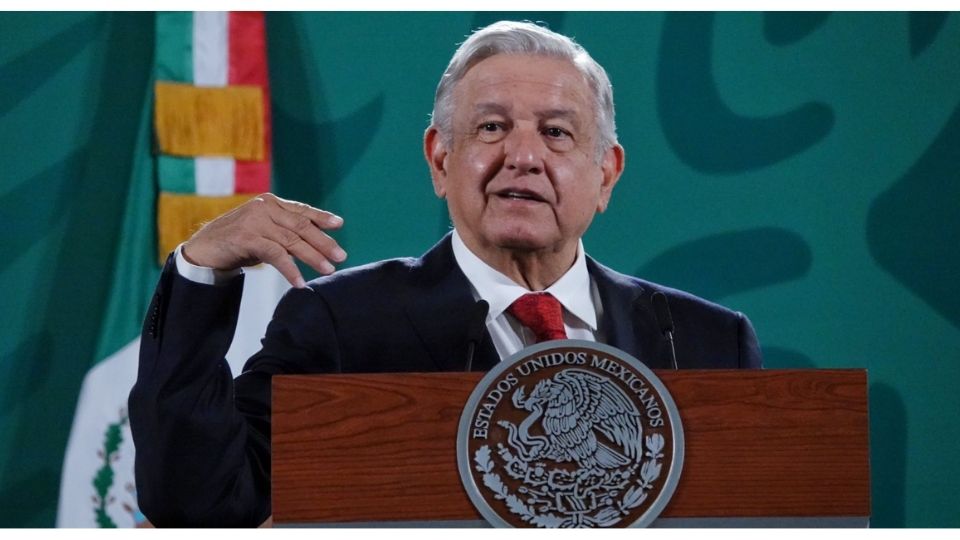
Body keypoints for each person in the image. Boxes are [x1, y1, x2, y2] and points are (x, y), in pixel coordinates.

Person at [129, 20, 762, 527]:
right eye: (492, 127)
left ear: (606, 175)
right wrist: (200, 275)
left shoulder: (708, 342)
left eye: (556, 133)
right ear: (440, 159)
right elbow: (201, 510)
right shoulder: (340, 325)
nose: (522, 155)